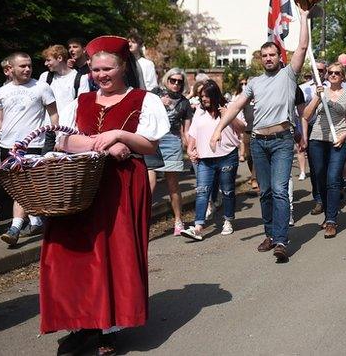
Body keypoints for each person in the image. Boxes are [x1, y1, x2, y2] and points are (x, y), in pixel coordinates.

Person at [41, 35, 169, 355]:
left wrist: (121, 134)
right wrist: (108, 144)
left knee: (115, 253)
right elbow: (63, 142)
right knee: (81, 254)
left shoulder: (144, 100)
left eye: (107, 68)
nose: (101, 75)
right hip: (82, 185)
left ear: (122, 66)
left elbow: (150, 145)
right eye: (96, 69)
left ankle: (109, 328)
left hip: (123, 185)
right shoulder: (81, 101)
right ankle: (84, 321)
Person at [212, 7, 310, 263]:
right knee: (264, 192)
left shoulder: (289, 75)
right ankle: (269, 234)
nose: (268, 58)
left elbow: (301, 49)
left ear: (280, 56)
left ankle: (280, 240)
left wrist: (304, 18)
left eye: (272, 54)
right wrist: (218, 129)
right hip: (258, 142)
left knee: (279, 190)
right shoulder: (254, 82)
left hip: (282, 141)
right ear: (260, 59)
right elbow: (234, 106)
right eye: (264, 55)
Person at [0, 52, 58, 247]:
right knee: (16, 188)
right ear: (10, 69)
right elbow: (0, 120)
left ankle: (15, 227)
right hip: (7, 146)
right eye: (22, 66)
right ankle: (36, 220)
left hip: (32, 145)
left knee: (21, 186)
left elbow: (54, 116)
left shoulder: (42, 87)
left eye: (29, 65)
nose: (27, 69)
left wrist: (55, 138)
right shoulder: (3, 91)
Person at [303, 62, 346, 239]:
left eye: (337, 73)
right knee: (319, 178)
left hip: (338, 141)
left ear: (343, 76)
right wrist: (318, 98)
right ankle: (328, 211)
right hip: (317, 140)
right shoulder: (321, 92)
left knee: (333, 179)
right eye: (330, 72)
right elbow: (306, 115)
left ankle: (331, 221)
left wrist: (344, 136)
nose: (333, 75)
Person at [183, 80, 244, 240]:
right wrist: (190, 149)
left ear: (215, 95)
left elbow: (242, 128)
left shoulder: (229, 107)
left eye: (207, 96)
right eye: (201, 96)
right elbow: (193, 133)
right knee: (202, 191)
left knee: (227, 191)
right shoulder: (199, 112)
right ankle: (198, 227)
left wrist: (228, 116)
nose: (203, 99)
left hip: (227, 156)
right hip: (205, 159)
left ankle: (228, 220)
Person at [151, 68, 193, 236]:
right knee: (150, 184)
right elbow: (141, 110)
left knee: (173, 184)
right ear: (167, 80)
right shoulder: (154, 93)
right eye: (173, 80)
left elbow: (187, 129)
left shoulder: (184, 103)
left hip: (172, 141)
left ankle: (178, 220)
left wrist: (190, 147)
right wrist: (159, 103)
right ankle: (139, 223)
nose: (176, 84)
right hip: (153, 139)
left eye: (179, 81)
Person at [40, 44, 90, 152]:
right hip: (48, 131)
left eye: (48, 60)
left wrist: (62, 137)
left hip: (68, 130)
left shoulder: (80, 78)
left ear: (59, 58)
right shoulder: (45, 77)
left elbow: (81, 107)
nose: (46, 64)